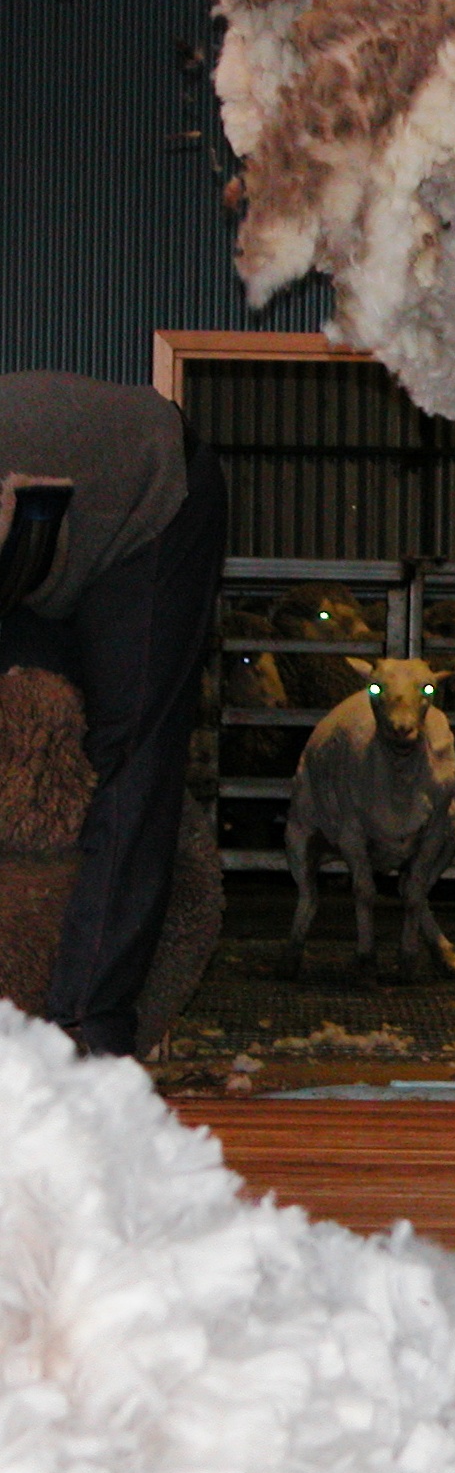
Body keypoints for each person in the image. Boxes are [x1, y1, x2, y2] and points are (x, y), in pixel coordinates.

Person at [0, 372, 228, 1056]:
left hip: (152, 501)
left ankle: (88, 1030)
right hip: (43, 539)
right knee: (31, 747)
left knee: (130, 753)